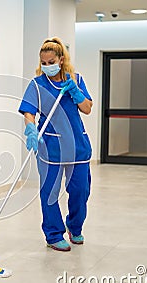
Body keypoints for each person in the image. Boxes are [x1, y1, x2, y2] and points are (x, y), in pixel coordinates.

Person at [18, 37, 93, 251]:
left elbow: (87, 108)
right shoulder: (37, 84)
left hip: (78, 145)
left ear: (61, 60)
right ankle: (53, 234)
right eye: (44, 62)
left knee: (80, 191)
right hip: (50, 146)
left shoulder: (76, 80)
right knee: (50, 192)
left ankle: (75, 226)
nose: (47, 66)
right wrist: (31, 128)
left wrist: (76, 94)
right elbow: (29, 111)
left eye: (51, 62)